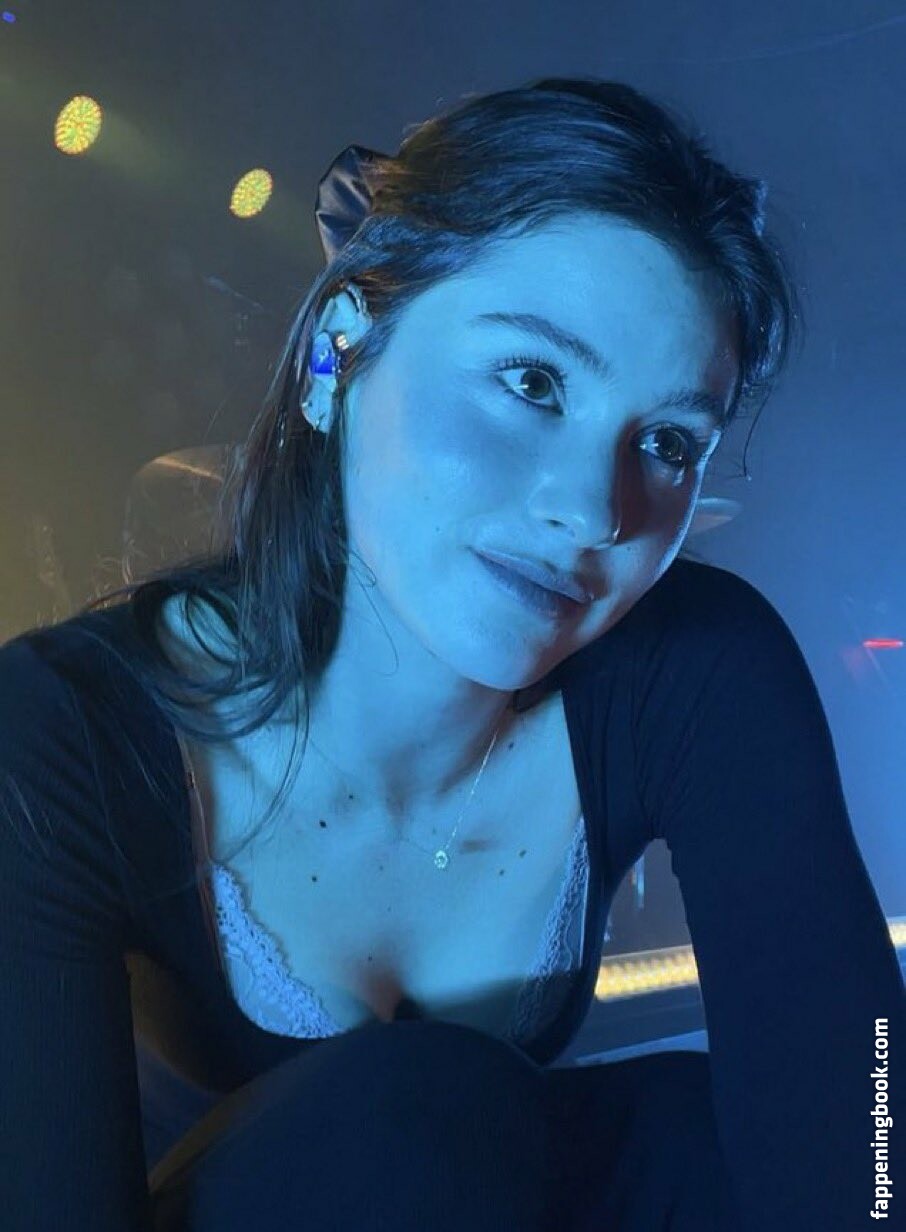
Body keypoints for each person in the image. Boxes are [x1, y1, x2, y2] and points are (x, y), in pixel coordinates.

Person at [1, 76, 902, 1232]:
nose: (593, 510)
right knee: (417, 1104)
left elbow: (865, 1132)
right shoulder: (55, 735)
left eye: (668, 441)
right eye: (532, 381)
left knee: (705, 1127)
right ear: (341, 348)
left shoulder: (700, 665)